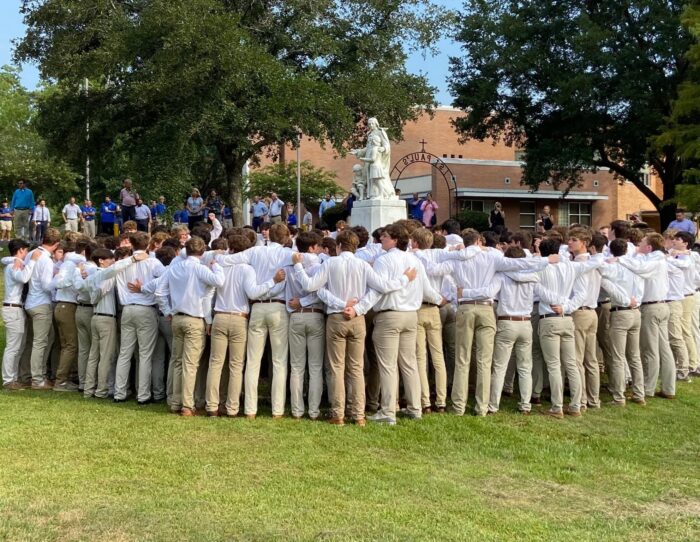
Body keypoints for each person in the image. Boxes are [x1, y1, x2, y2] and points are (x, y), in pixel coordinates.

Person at [155, 236, 224, 416]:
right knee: (190, 364)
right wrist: (215, 265)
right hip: (194, 318)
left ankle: (175, 401)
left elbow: (159, 291)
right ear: (202, 252)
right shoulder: (199, 268)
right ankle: (187, 404)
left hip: (177, 317)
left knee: (177, 361)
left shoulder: (174, 268)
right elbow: (219, 280)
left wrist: (167, 310)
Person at [25, 228, 62, 389]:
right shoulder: (46, 260)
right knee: (40, 342)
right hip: (41, 303)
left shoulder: (31, 254)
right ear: (56, 244)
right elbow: (47, 285)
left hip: (30, 301)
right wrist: (59, 277)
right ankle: (37, 379)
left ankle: (34, 374)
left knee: (45, 339)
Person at [1, 240, 41, 389]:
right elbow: (23, 278)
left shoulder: (13, 262)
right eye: (25, 251)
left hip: (16, 308)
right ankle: (8, 379)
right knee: (13, 346)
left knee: (19, 345)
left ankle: (13, 377)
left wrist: (16, 259)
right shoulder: (13, 266)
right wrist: (32, 261)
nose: (26, 255)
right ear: (20, 250)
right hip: (13, 308)